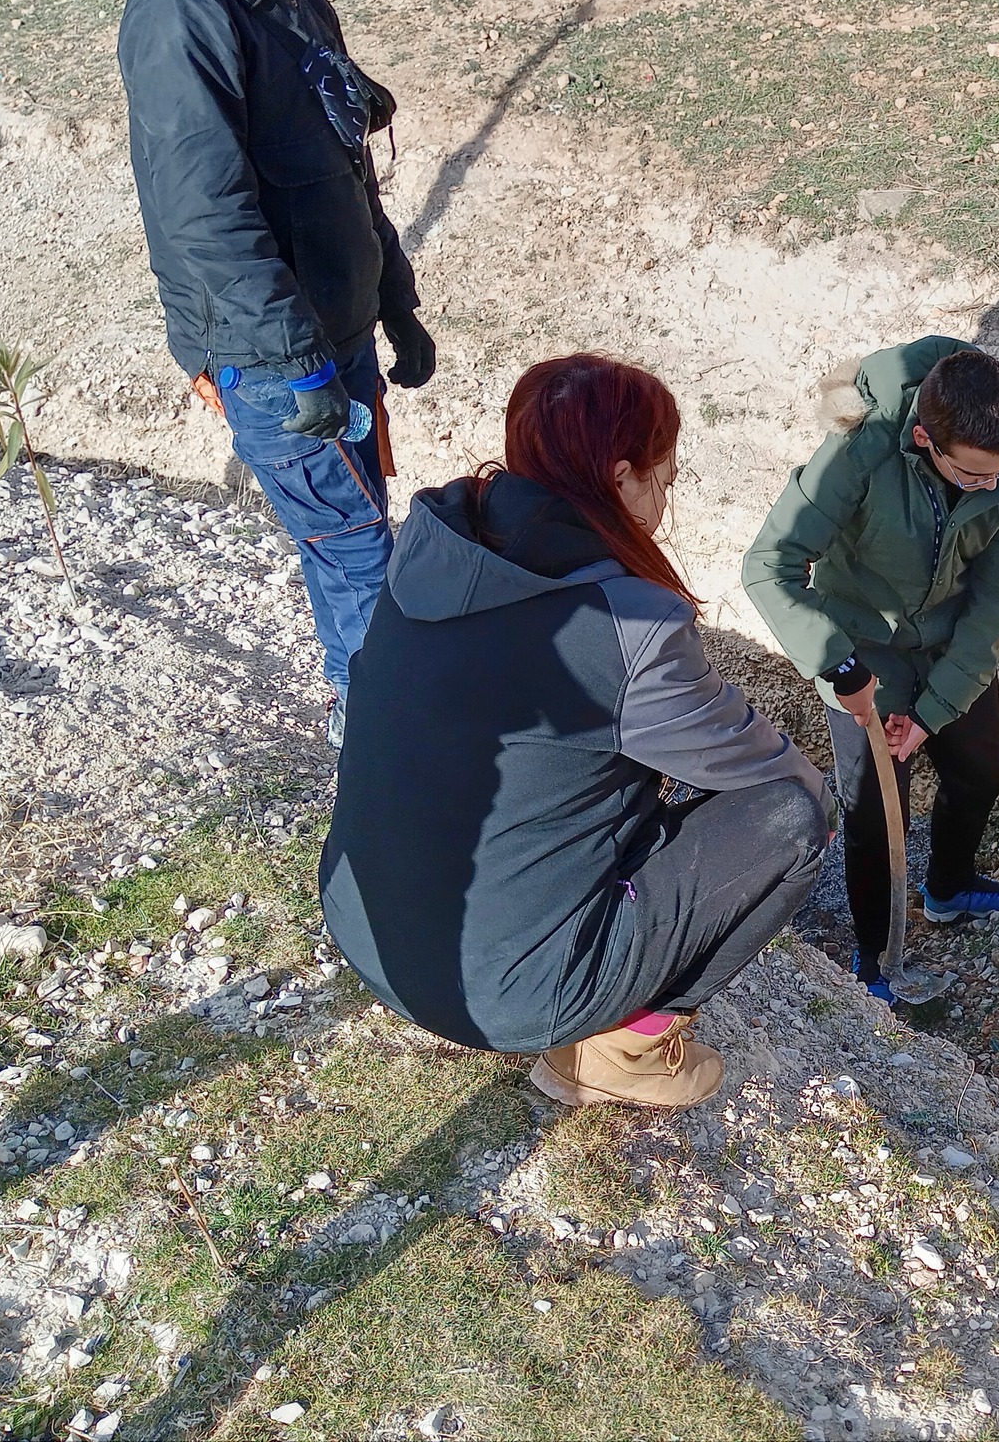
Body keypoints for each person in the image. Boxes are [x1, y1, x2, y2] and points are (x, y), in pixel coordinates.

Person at [320, 354, 829, 1110]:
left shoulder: (432, 545)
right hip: (504, 996)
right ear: (621, 477)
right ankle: (620, 1053)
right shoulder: (625, 628)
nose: (664, 500)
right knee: (795, 814)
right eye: (664, 479)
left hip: (366, 928)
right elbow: (772, 779)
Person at [116, 0, 436, 747]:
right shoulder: (182, 11)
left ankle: (361, 711)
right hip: (271, 358)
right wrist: (295, 361)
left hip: (336, 331)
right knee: (359, 548)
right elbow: (204, 215)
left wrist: (394, 300)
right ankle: (388, 745)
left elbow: (349, 173)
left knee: (350, 534)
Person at [743, 339, 999, 1003]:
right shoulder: (861, 449)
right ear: (923, 440)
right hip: (862, 649)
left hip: (949, 642)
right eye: (973, 476)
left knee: (979, 773)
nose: (991, 486)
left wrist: (934, 712)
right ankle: (875, 959)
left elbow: (994, 600)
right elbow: (769, 565)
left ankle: (948, 888)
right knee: (876, 815)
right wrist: (841, 666)